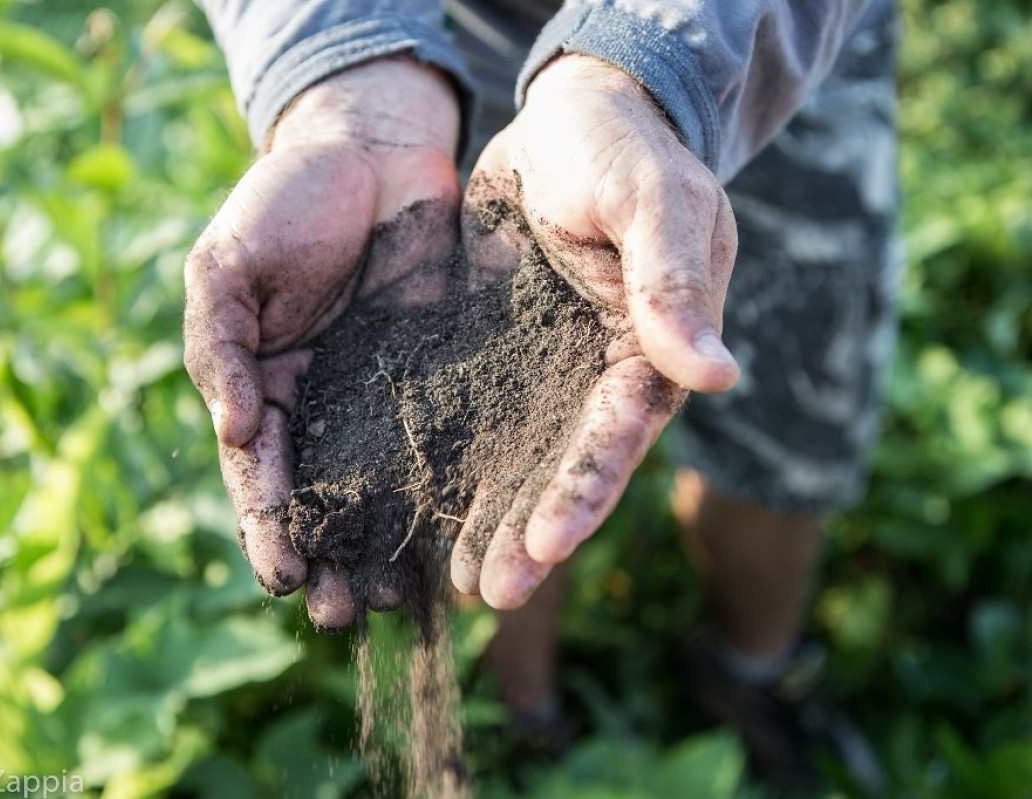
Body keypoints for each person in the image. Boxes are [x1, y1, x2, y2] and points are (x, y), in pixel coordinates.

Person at [184, 0, 900, 791]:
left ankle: (753, 673)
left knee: (794, 414)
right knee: (498, 479)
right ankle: (523, 725)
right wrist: (335, 68)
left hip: (769, 27)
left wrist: (643, 65)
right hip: (467, 30)